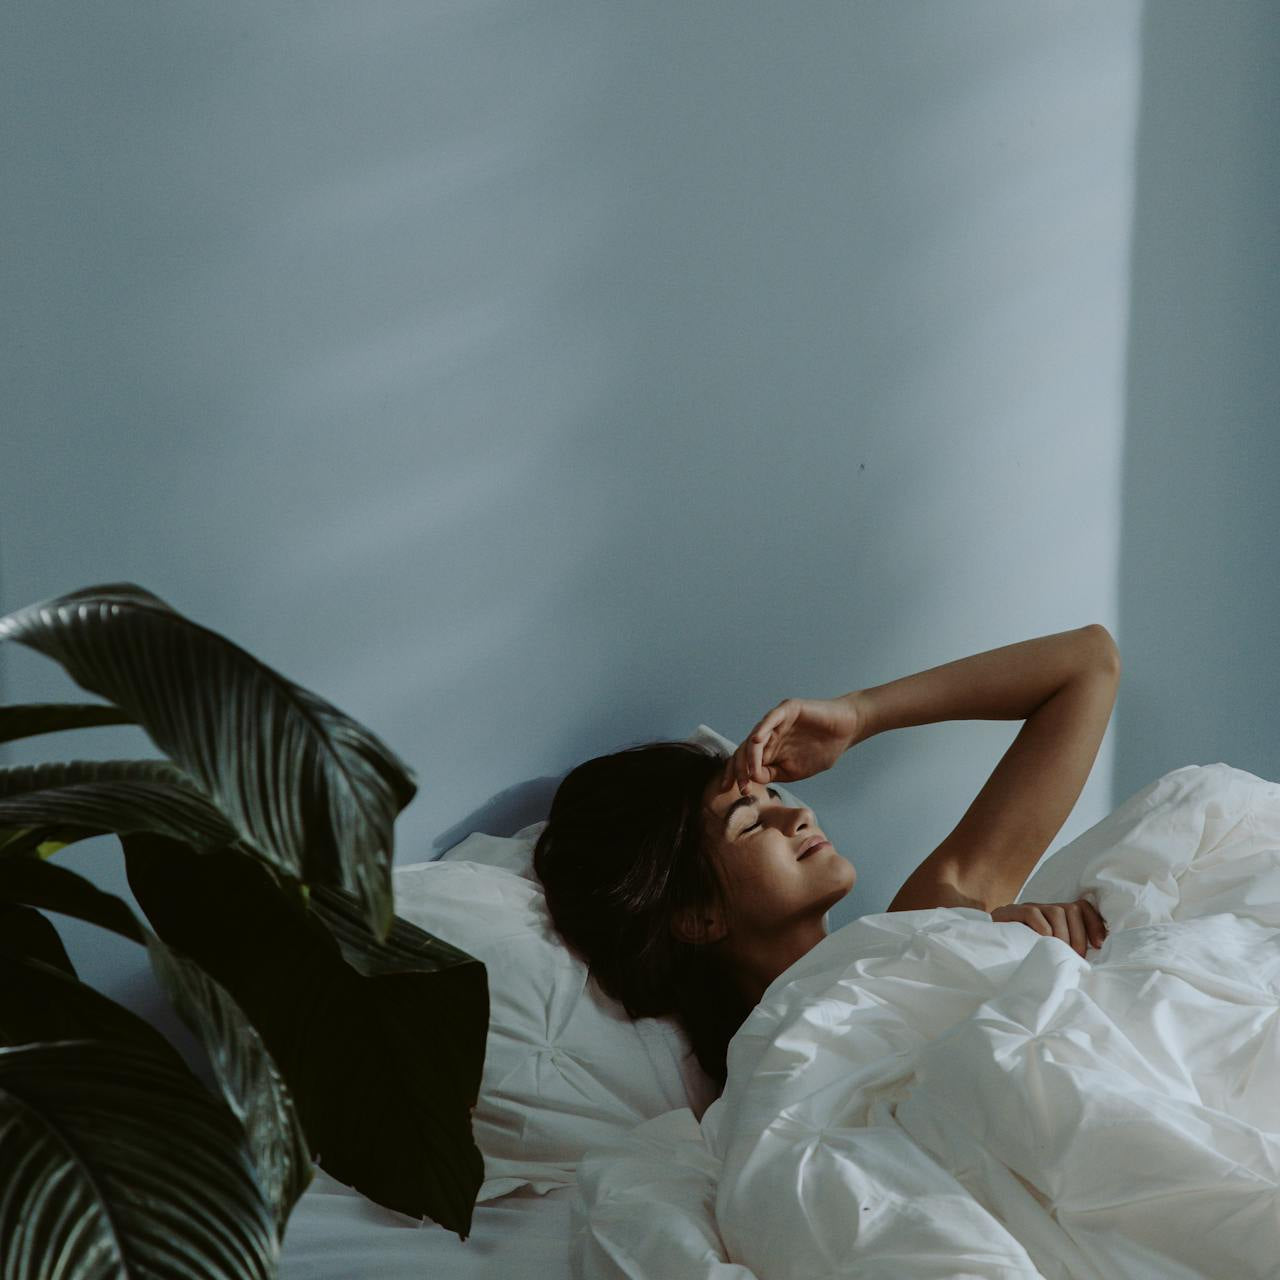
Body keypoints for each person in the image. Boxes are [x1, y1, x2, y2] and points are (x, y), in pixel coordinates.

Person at [533, 624, 1118, 1093]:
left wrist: (860, 715)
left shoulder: (927, 925)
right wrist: (991, 986)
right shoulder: (769, 1075)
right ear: (698, 917)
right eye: (751, 824)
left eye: (774, 797)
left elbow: (1089, 662)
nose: (797, 816)